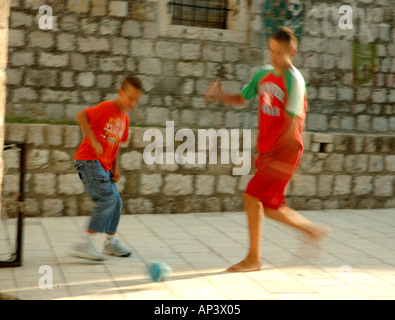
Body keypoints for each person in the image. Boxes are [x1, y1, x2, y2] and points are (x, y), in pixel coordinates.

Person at [205, 27, 330, 272]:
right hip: (269, 151)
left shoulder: (295, 80)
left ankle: (253, 259)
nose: (273, 56)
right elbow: (242, 98)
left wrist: (276, 160)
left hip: (285, 151)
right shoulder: (262, 74)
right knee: (270, 207)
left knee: (251, 195)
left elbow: (291, 125)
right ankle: (312, 231)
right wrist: (220, 95)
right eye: (271, 50)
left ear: (292, 52)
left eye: (279, 52)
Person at [70, 76, 143, 261]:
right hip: (88, 160)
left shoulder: (125, 118)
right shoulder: (106, 108)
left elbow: (115, 144)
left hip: (104, 166)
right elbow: (81, 116)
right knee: (107, 199)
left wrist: (116, 168)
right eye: (130, 98)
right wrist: (93, 141)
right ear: (120, 93)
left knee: (116, 201)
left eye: (137, 100)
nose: (133, 103)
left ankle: (111, 242)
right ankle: (84, 242)